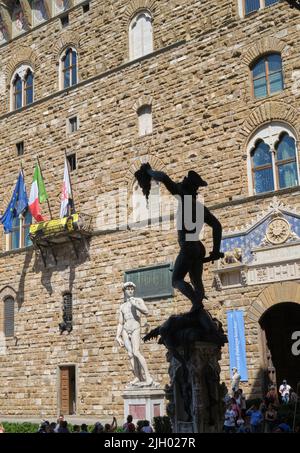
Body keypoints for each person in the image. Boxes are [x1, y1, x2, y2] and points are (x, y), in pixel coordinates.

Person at [135, 163, 223, 310]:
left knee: (176, 280)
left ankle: (196, 303)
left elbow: (163, 177)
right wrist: (215, 250)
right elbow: (217, 226)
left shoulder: (183, 197)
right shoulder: (201, 208)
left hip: (188, 247)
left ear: (187, 186)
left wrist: (149, 171)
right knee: (197, 282)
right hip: (198, 248)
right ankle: (198, 307)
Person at [116, 282, 153, 386]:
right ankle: (137, 377)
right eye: (128, 289)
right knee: (130, 355)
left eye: (132, 289)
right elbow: (120, 323)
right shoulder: (122, 306)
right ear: (124, 291)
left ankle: (148, 376)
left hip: (135, 327)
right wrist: (117, 336)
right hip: (125, 329)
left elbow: (146, 311)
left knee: (136, 352)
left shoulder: (138, 300)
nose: (130, 290)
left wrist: (135, 305)